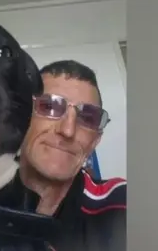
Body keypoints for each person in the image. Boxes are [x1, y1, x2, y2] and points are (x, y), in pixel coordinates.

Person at [18, 60, 127, 251]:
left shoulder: (122, 205)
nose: (68, 131)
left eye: (88, 117)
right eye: (49, 106)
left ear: (95, 140)